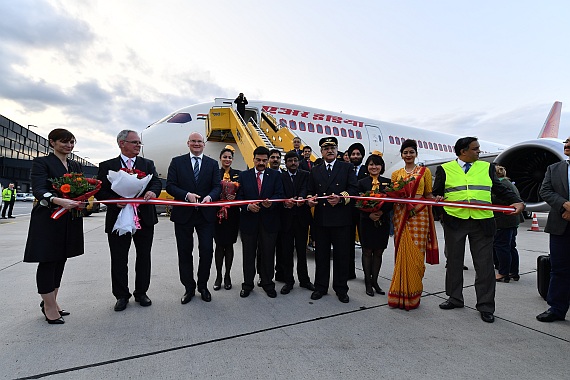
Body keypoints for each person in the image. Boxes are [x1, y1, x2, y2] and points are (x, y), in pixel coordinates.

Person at [433, 137, 524, 323]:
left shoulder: (486, 167)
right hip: (455, 221)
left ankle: (486, 306)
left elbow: (498, 188)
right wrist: (438, 201)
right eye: (475, 149)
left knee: (484, 266)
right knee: (454, 262)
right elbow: (437, 192)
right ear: (463, 151)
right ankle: (455, 298)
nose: (479, 152)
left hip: (482, 222)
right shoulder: (445, 169)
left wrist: (516, 200)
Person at [23, 129, 84, 324]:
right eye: (64, 142)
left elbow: (80, 188)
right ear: (52, 142)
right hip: (49, 218)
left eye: (72, 142)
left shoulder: (74, 164)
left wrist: (81, 200)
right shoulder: (42, 163)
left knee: (61, 259)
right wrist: (58, 200)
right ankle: (48, 306)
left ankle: (52, 300)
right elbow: (39, 189)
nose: (69, 145)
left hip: (69, 218)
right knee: (48, 260)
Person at [97, 130, 162, 312]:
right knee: (118, 258)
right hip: (117, 219)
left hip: (144, 218)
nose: (138, 146)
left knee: (144, 257)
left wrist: (153, 192)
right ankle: (121, 295)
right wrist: (114, 200)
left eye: (139, 143)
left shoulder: (147, 164)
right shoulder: (107, 166)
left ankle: (141, 292)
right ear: (121, 143)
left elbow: (156, 182)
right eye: (134, 142)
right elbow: (100, 191)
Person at [166, 132, 221, 304]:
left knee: (206, 251)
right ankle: (189, 288)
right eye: (193, 141)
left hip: (205, 215)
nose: (197, 144)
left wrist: (210, 197)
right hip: (184, 215)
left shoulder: (212, 164)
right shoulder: (177, 162)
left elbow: (217, 186)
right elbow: (170, 186)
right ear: (188, 143)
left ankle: (203, 286)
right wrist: (186, 195)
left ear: (204, 144)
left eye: (200, 141)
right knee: (184, 252)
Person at [388, 140, 439, 310]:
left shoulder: (424, 172)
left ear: (416, 154)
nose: (408, 155)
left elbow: (428, 194)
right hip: (401, 214)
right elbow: (393, 195)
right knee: (402, 251)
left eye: (411, 152)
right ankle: (398, 294)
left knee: (417, 255)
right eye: (405, 152)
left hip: (420, 214)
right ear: (401, 155)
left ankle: (413, 295)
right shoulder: (396, 174)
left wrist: (437, 200)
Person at [307, 137, 358, 303]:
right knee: (321, 256)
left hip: (341, 219)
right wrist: (310, 199)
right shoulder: (315, 170)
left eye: (333, 147)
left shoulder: (347, 167)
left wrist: (341, 199)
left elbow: (353, 189)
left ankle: (341, 289)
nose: (330, 150)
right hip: (321, 219)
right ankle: (320, 287)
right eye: (326, 148)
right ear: (321, 152)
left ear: (337, 150)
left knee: (341, 256)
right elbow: (310, 190)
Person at [237, 146, 284, 298]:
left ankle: (267, 283)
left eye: (265, 160)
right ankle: (247, 284)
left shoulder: (276, 176)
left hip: (269, 222)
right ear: (253, 159)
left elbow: (279, 194)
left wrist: (272, 203)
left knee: (268, 254)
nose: (261, 163)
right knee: (248, 255)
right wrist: (248, 206)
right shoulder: (244, 176)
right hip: (249, 222)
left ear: (268, 160)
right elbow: (239, 198)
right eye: (259, 160)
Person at [536, 137, 570, 322]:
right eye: (566, 142)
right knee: (559, 269)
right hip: (560, 226)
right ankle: (556, 308)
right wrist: (564, 205)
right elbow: (545, 191)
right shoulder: (554, 169)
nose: (566, 145)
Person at [357, 152, 393, 296]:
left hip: (382, 221)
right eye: (371, 164)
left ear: (382, 166)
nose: (374, 167)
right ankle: (367, 283)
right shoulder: (361, 182)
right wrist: (369, 213)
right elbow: (357, 202)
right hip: (366, 221)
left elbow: (392, 201)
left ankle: (375, 281)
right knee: (367, 251)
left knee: (379, 251)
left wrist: (381, 212)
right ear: (367, 166)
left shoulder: (388, 182)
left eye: (377, 164)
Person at [279, 150, 315, 294]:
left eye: (295, 160)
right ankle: (289, 281)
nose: (293, 163)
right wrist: (285, 202)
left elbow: (306, 188)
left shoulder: (305, 175)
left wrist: (301, 197)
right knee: (287, 252)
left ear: (298, 162)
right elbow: (279, 192)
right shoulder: (280, 177)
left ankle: (304, 280)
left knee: (301, 252)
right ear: (286, 163)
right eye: (290, 161)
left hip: (301, 219)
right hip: (286, 220)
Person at [213, 145, 241, 291]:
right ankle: (218, 276)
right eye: (225, 157)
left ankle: (227, 276)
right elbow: (211, 190)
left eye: (230, 157)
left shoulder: (238, 174)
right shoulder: (214, 173)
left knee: (229, 245)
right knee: (219, 245)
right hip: (217, 215)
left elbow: (243, 192)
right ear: (220, 158)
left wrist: (235, 197)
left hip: (233, 216)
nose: (227, 159)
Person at [492, 165, 522, 282]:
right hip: (512, 220)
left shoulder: (500, 185)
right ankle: (514, 271)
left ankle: (503, 272)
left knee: (501, 247)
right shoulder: (509, 183)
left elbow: (498, 200)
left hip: (503, 220)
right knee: (511, 247)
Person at [347, 142, 368, 280]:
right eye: (353, 154)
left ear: (362, 156)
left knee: (366, 244)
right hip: (348, 212)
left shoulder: (368, 169)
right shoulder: (345, 169)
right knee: (347, 243)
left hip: (364, 212)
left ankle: (368, 275)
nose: (355, 156)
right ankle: (349, 272)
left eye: (358, 154)